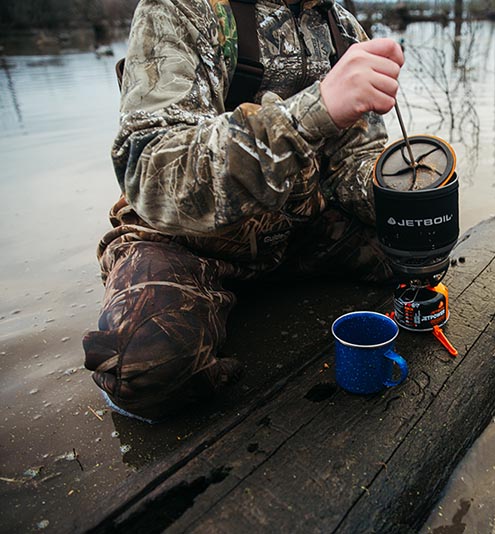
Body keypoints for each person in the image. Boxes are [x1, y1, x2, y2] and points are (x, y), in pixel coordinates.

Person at [82, 0, 404, 423]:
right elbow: (151, 173)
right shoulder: (182, 8)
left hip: (300, 227)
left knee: (413, 252)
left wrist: (397, 186)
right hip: (189, 242)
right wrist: (315, 110)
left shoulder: (341, 25)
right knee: (143, 369)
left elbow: (352, 160)